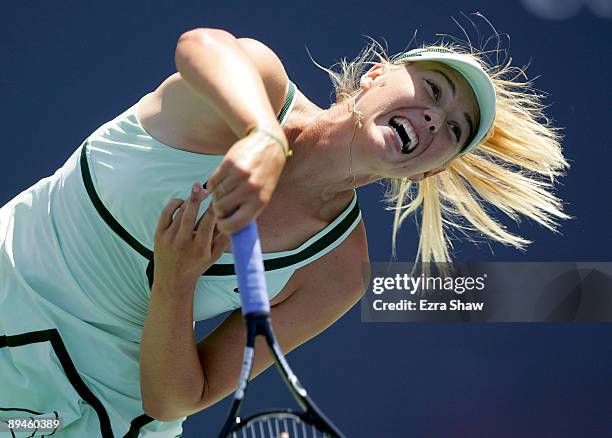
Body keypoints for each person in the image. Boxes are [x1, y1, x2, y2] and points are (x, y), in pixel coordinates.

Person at [0, 26, 568, 437]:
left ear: (430, 169)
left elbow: (176, 399)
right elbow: (200, 45)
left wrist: (174, 283)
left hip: (98, 415)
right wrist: (263, 137)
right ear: (373, 77)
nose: (431, 119)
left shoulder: (339, 271)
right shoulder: (261, 86)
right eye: (433, 92)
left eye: (452, 129)